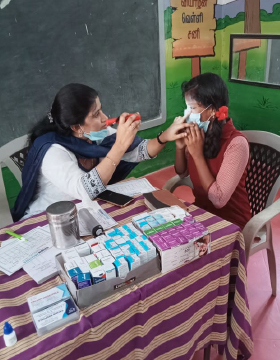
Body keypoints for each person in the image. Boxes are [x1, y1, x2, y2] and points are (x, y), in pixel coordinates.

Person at [12, 83, 189, 221]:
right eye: (96, 114)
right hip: (47, 220)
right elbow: (85, 189)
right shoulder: (53, 151)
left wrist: (164, 136)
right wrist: (119, 146)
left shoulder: (97, 135)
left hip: (86, 211)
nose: (105, 118)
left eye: (101, 109)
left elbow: (139, 151)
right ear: (76, 126)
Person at [174, 73, 252, 229]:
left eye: (193, 108)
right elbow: (182, 173)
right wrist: (180, 147)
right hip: (201, 213)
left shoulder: (236, 144)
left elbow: (218, 200)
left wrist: (197, 155)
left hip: (230, 222)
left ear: (212, 110)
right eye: (187, 107)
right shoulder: (200, 133)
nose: (188, 114)